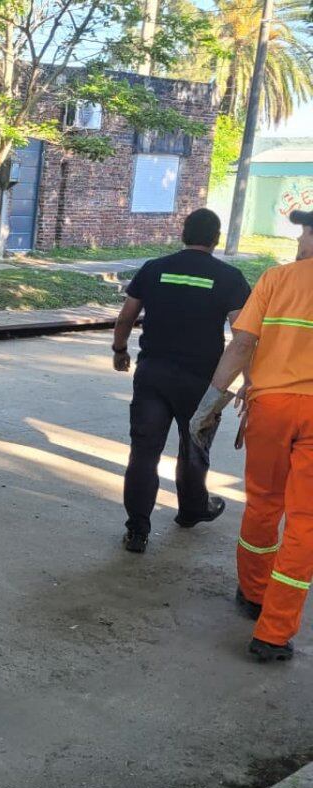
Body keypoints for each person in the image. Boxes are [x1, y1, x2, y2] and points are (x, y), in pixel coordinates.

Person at [191, 208, 313, 662]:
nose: (299, 241)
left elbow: (242, 344)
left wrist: (210, 404)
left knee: (263, 503)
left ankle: (254, 593)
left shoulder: (276, 279)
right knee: (305, 523)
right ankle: (273, 634)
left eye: (304, 232)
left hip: (270, 408)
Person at [112, 208, 251, 553]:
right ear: (216, 238)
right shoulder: (229, 277)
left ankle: (137, 530)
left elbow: (126, 316)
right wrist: (249, 380)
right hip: (201, 382)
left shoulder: (154, 268)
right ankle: (191, 510)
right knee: (194, 447)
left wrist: (119, 349)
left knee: (144, 452)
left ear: (183, 234)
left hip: (153, 376)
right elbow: (243, 336)